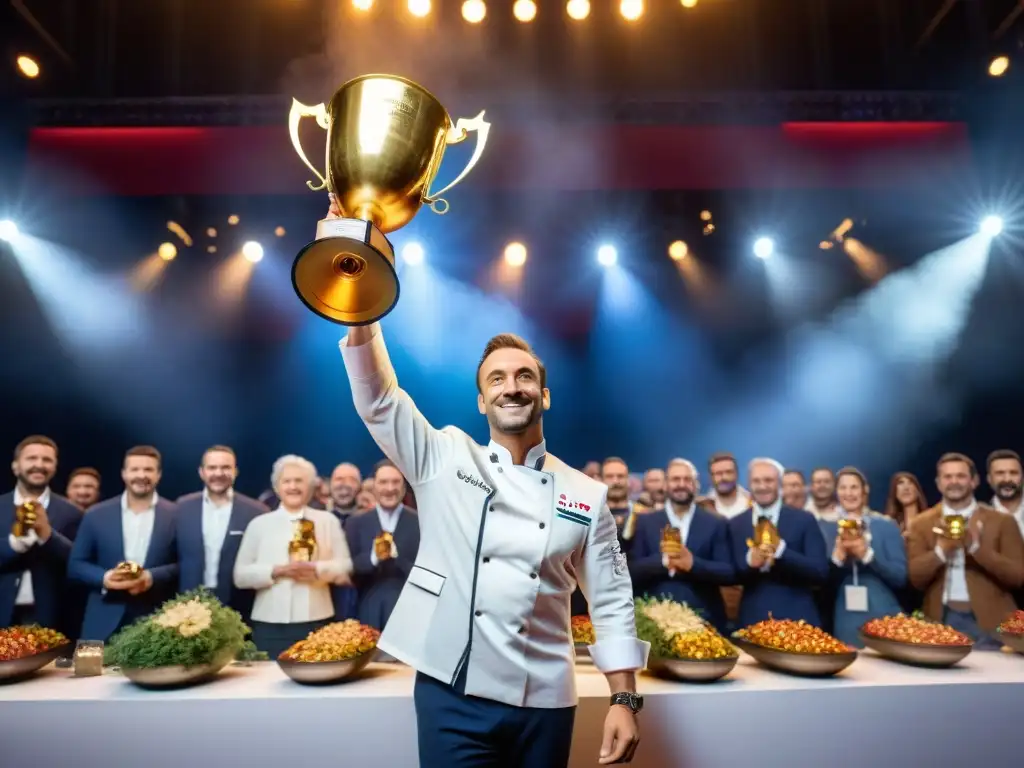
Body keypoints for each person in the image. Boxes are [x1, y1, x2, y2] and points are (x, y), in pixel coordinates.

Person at [334, 191, 648, 768]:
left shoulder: (585, 492)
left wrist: (624, 697)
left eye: (525, 376)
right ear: (482, 401)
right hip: (451, 692)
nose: (512, 386)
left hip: (545, 700)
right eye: (497, 379)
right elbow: (378, 399)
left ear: (544, 393)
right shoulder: (445, 456)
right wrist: (356, 283)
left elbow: (610, 599)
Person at [233, 454, 353, 658]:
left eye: (299, 481)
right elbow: (240, 576)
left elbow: (345, 566)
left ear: (311, 487)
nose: (293, 487)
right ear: (277, 486)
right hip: (269, 623)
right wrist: (277, 571)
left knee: (315, 682)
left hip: (316, 620)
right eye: (286, 481)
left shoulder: (327, 521)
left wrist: (316, 570)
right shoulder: (259, 524)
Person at [906, 452, 1024, 649]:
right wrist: (940, 552)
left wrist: (976, 548)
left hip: (991, 623)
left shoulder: (1002, 521)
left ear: (974, 481)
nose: (954, 482)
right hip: (939, 620)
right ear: (938, 483)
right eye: (948, 477)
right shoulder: (921, 523)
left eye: (961, 476)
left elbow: (1018, 576)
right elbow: (915, 578)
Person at [67, 446, 179, 641]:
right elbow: (75, 565)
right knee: (94, 672)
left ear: (158, 474)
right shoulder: (96, 514)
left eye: (148, 470)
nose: (141, 475)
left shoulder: (176, 514)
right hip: (102, 621)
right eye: (135, 469)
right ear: (124, 474)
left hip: (158, 622)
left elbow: (185, 563)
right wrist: (106, 578)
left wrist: (150, 577)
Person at [630, 459, 735, 632]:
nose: (681, 484)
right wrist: (664, 561)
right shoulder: (645, 521)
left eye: (687, 480)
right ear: (665, 484)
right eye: (675, 479)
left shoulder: (716, 523)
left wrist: (693, 563)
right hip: (653, 621)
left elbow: (728, 572)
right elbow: (632, 570)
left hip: (704, 621)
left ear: (695, 485)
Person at [727, 457, 829, 626]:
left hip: (798, 620)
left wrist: (781, 551)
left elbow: (821, 572)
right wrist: (749, 562)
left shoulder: (804, 520)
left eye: (768, 480)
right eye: (756, 481)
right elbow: (729, 574)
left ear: (780, 484)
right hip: (752, 620)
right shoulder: (736, 524)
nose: (762, 486)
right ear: (749, 485)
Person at [0, 436, 83, 635]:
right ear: (15, 466)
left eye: (47, 460)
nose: (39, 464)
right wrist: (13, 546)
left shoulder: (73, 513)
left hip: (52, 619)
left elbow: (79, 563)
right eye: (31, 458)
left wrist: (48, 537)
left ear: (55, 467)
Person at [175, 445, 268, 619]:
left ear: (235, 471)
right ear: (201, 472)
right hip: (187, 610)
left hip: (240, 612)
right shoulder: (182, 508)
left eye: (225, 467)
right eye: (212, 467)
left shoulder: (256, 512)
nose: (218, 473)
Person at [819, 467, 906, 647]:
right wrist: (836, 559)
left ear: (865, 490)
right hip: (845, 619)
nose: (848, 493)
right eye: (843, 488)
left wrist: (868, 556)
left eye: (854, 487)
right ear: (836, 492)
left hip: (883, 615)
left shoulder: (886, 526)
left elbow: (900, 578)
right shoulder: (824, 528)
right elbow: (819, 585)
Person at [346, 460, 420, 631]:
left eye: (395, 482)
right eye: (383, 482)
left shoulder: (420, 522)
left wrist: (397, 558)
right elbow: (351, 570)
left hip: (409, 614)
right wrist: (374, 558)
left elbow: (427, 571)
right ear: (374, 486)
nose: (389, 488)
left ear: (404, 486)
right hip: (367, 613)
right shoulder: (355, 523)